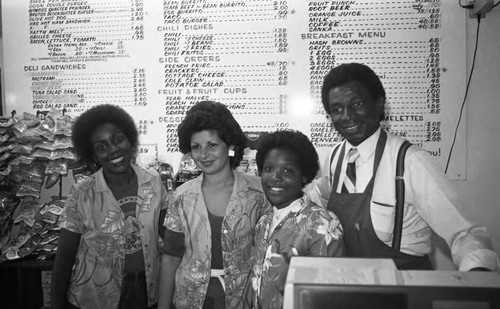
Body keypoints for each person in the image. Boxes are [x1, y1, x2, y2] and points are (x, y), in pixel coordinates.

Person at [306, 62, 500, 271]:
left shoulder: (410, 162)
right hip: (350, 287)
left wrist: (479, 271)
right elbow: (319, 196)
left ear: (379, 103)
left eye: (357, 104)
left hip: (403, 292)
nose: (347, 116)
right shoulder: (335, 157)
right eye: (337, 109)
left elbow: (464, 233)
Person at [50, 104, 169, 309]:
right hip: (93, 297)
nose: (113, 149)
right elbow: (64, 257)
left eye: (117, 139)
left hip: (146, 294)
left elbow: (169, 234)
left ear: (130, 140)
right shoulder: (83, 193)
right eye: (101, 146)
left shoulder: (154, 183)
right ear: (93, 155)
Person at [158, 101, 270, 309]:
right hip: (189, 299)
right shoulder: (182, 196)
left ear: (229, 145)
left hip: (244, 299)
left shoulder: (258, 193)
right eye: (196, 147)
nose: (203, 154)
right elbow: (171, 256)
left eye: (212, 145)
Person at [249, 130, 344, 309]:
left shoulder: (323, 224)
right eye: (269, 169)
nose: (275, 177)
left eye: (287, 170)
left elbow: (328, 297)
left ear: (304, 176)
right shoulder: (263, 221)